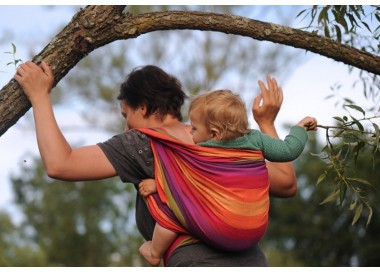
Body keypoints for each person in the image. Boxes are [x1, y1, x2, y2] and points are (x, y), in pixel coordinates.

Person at [15, 60, 298, 266]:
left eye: (127, 114)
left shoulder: (144, 142)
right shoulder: (222, 140)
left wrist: (40, 97)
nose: (126, 126)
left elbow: (60, 164)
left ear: (143, 107)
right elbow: (286, 184)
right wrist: (266, 123)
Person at [138, 89, 317, 266]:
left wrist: (157, 185)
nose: (190, 132)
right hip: (254, 232)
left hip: (222, 231)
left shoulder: (202, 153)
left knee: (175, 210)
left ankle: (155, 251)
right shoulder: (256, 139)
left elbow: (182, 183)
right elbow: (289, 150)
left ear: (214, 134)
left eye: (194, 128)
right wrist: (299, 129)